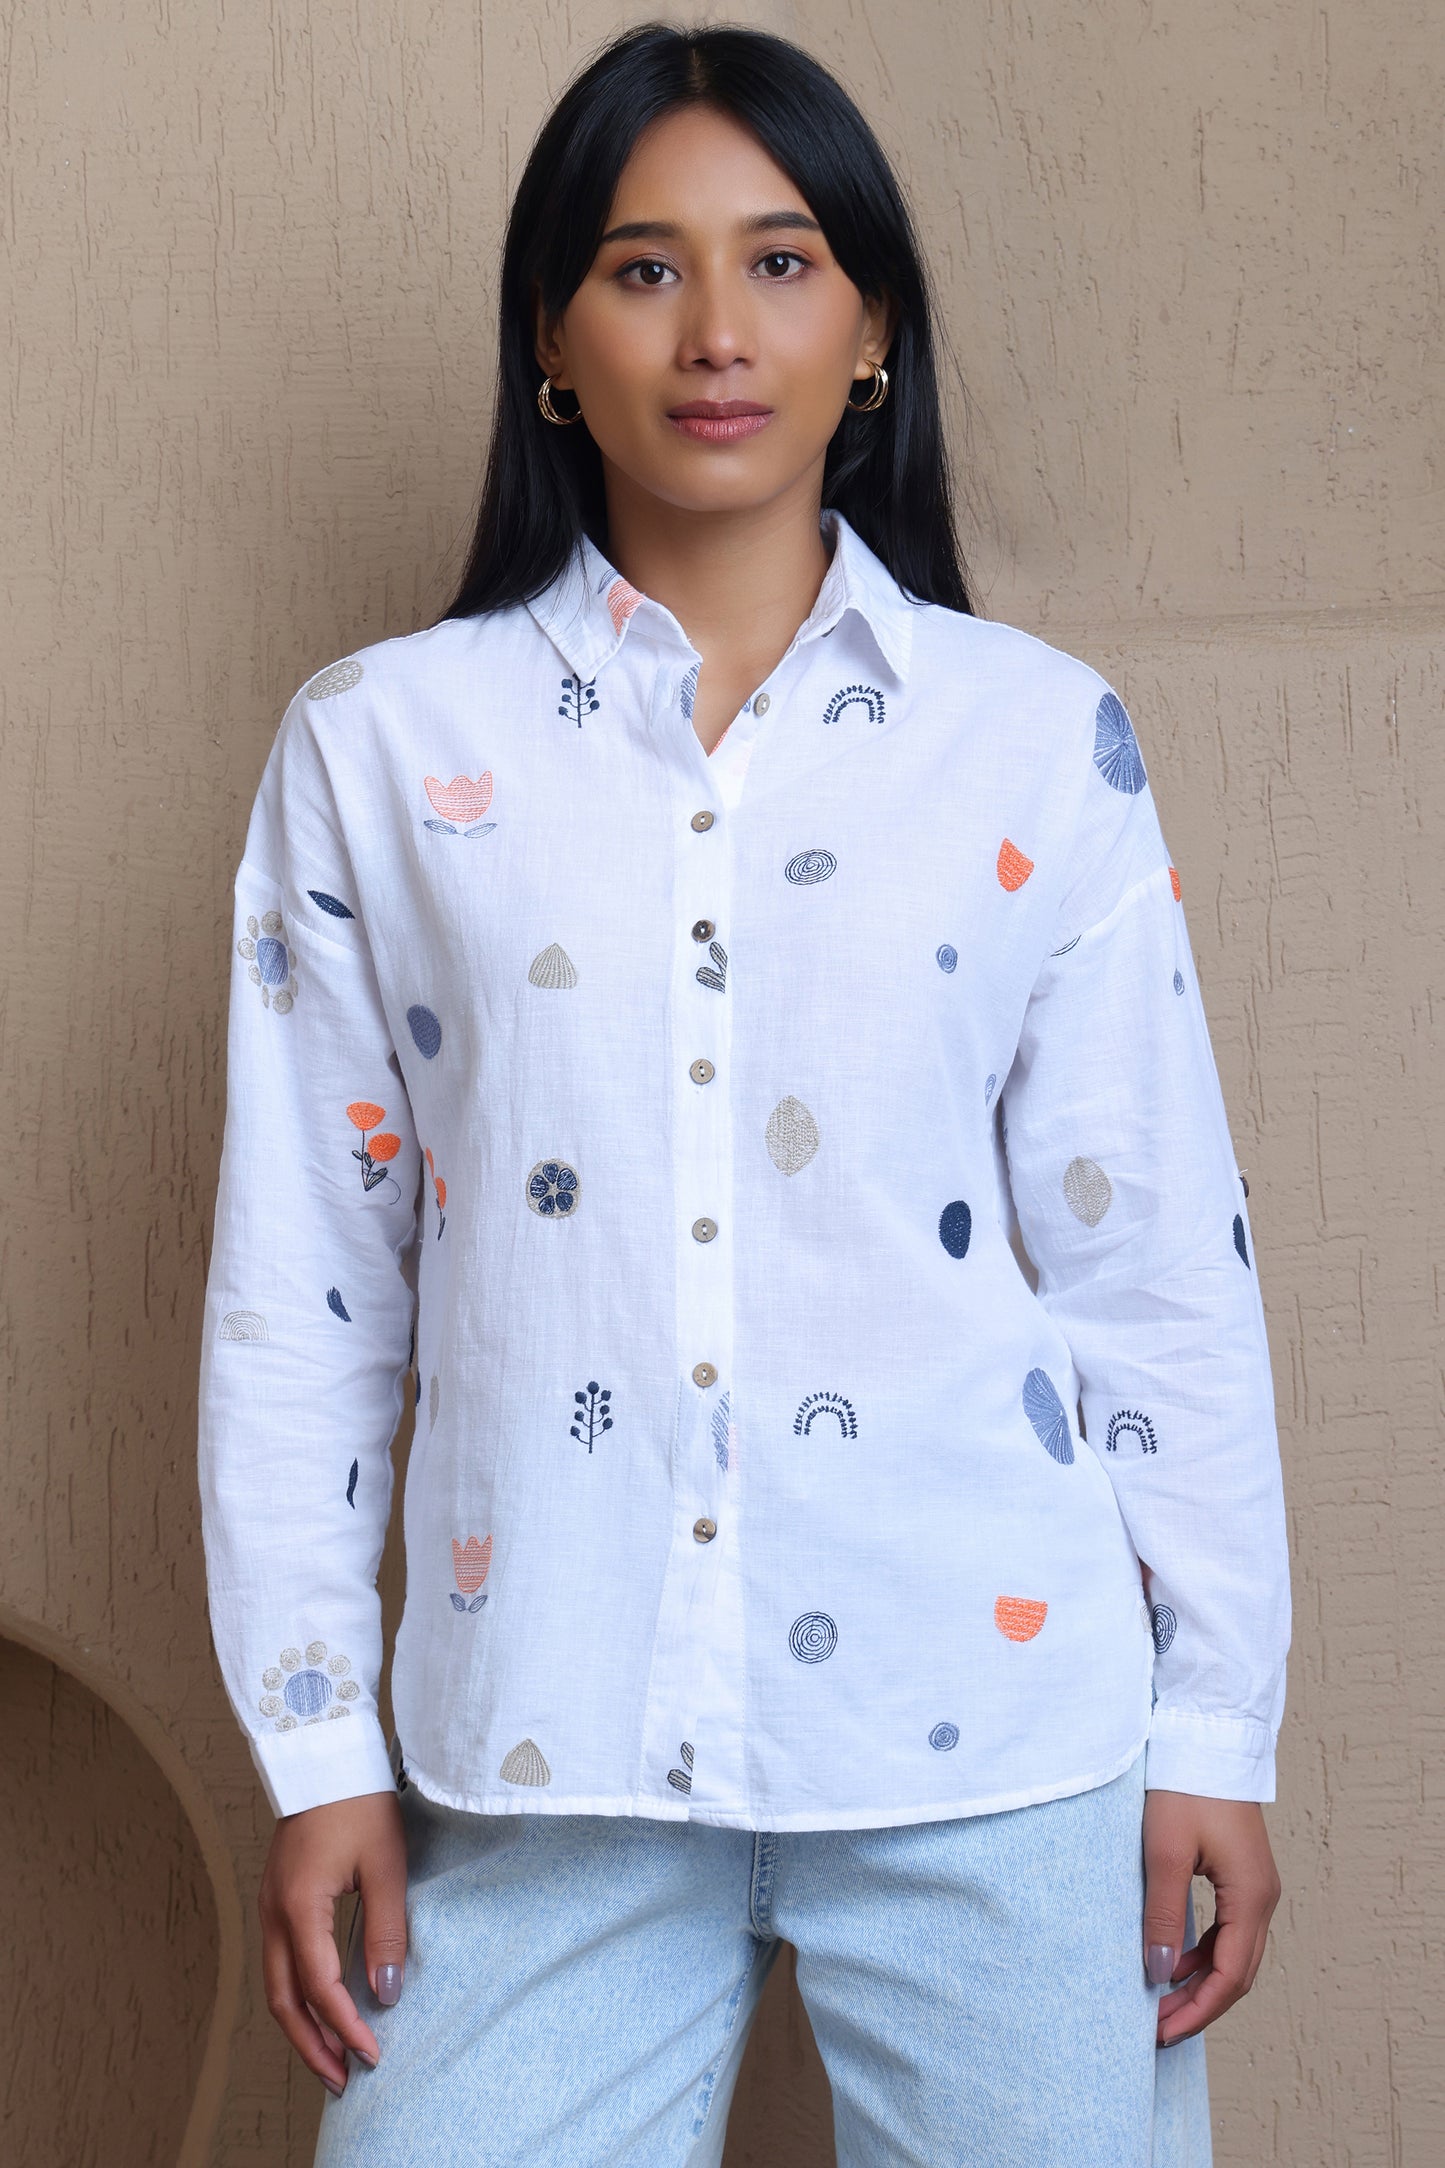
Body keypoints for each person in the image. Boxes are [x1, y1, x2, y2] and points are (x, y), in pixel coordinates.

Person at [197, 22, 1290, 2167]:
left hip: (997, 1737)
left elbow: (1155, 1259)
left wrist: (1214, 1720)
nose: (717, 331)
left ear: (871, 328)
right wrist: (317, 1750)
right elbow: (308, 1292)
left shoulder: (1032, 741)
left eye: (782, 263)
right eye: (644, 268)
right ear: (551, 338)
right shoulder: (382, 749)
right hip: (546, 1738)